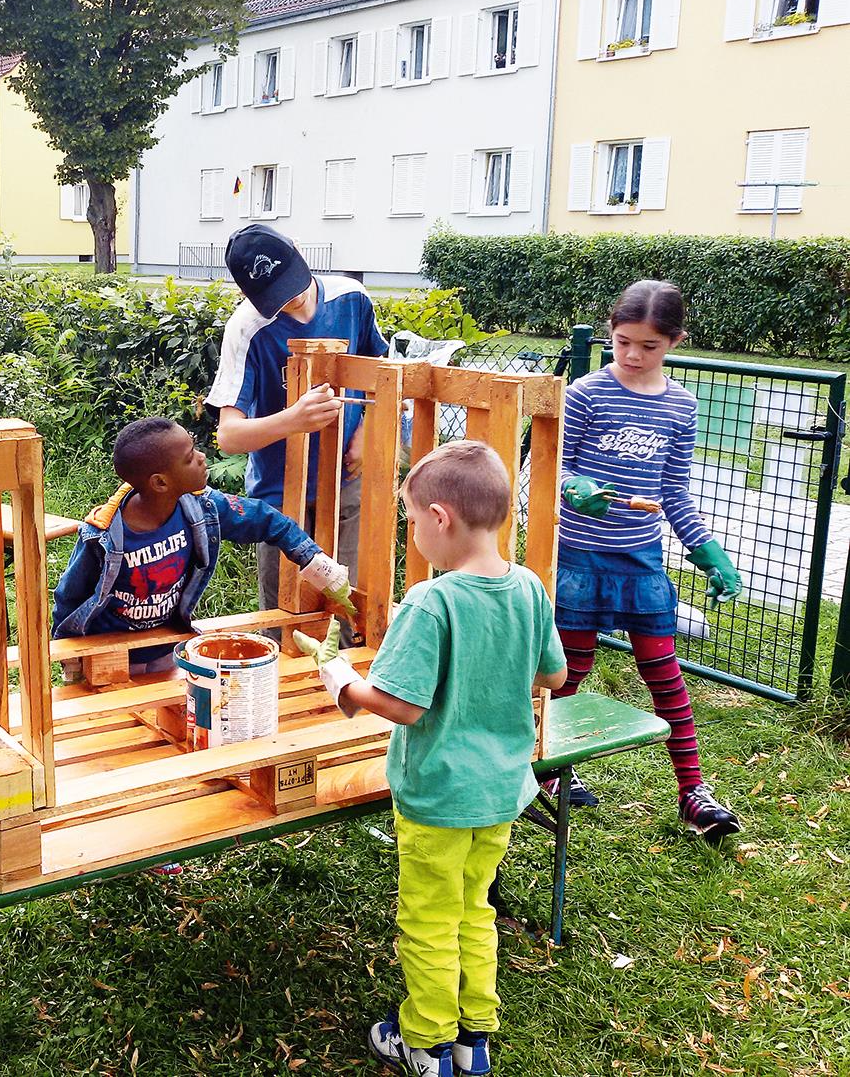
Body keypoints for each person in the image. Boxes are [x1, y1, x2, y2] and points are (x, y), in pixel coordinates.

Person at [301, 440, 568, 1077]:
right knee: (476, 908)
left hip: (440, 795)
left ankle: (425, 1041)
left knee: (428, 918)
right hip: (503, 790)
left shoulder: (433, 602)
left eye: (413, 521)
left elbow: (402, 706)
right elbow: (553, 676)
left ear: (441, 518)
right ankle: (475, 1034)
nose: (413, 533)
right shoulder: (528, 587)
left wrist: (341, 682)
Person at [553, 280, 743, 839]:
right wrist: (573, 486)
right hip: (579, 558)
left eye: (649, 346)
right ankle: (548, 771)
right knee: (568, 673)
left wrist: (706, 551)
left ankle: (693, 794)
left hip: (641, 563)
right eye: (622, 341)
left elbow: (675, 492)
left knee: (665, 675)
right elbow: (553, 466)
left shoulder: (681, 406)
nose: (632, 356)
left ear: (675, 342)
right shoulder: (585, 393)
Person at [53, 417, 357, 674]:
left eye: (195, 448)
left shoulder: (203, 508)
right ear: (160, 483)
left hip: (164, 646)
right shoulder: (102, 536)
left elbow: (267, 520)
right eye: (189, 458)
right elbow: (70, 596)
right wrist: (71, 658)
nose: (201, 458)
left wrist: (316, 562)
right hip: (110, 654)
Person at [206, 224, 388, 614]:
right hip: (280, 495)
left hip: (346, 481)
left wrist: (367, 433)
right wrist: (293, 419)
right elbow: (229, 436)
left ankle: (342, 675)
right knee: (285, 612)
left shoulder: (351, 298)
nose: (294, 302)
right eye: (277, 298)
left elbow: (382, 373)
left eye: (294, 284)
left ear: (300, 252)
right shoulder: (246, 328)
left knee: (347, 604)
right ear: (247, 294)